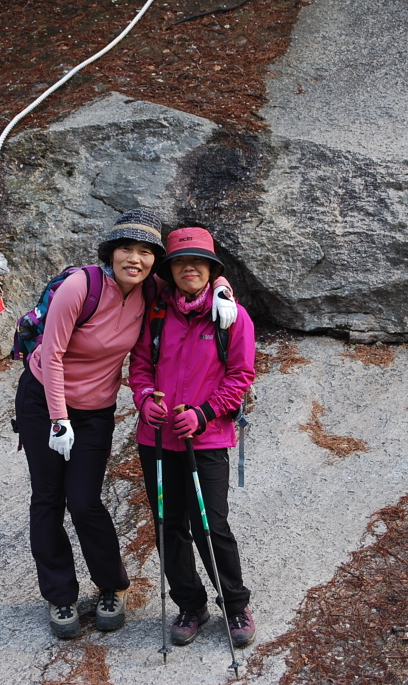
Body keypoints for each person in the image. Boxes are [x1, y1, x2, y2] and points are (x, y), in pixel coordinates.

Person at [14, 209, 238, 640]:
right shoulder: (81, 286)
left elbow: (197, 275)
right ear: (111, 252)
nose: (135, 258)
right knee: (47, 498)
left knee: (83, 501)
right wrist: (59, 418)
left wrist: (224, 290)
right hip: (44, 402)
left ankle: (110, 587)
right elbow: (54, 353)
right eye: (126, 249)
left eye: (145, 252)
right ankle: (60, 593)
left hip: (95, 409)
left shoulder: (150, 288)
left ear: (154, 261)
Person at [128, 225, 257, 649]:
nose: (190, 268)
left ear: (211, 268)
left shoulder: (231, 316)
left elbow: (241, 375)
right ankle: (190, 604)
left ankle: (235, 604)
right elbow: (141, 365)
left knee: (210, 525)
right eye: (181, 262)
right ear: (170, 269)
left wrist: (204, 413)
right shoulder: (157, 313)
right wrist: (145, 400)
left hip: (207, 438)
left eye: (198, 262)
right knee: (169, 525)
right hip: (157, 438)